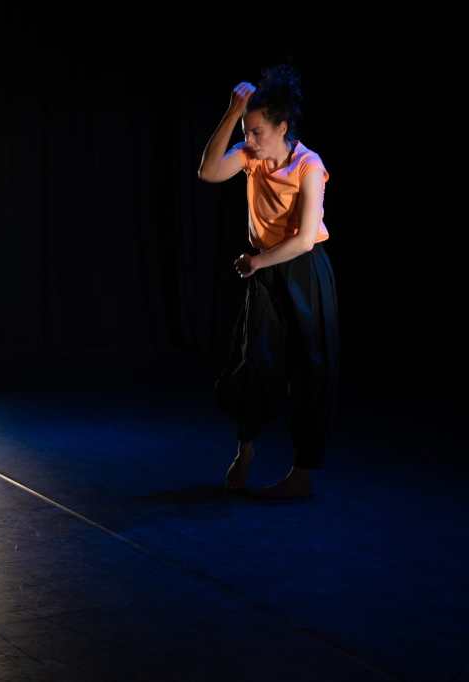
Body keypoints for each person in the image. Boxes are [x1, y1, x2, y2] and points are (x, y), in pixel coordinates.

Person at [197, 64, 340, 499]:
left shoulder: (307, 165)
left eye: (257, 131)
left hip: (302, 270)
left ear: (282, 127)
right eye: (246, 130)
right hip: (264, 268)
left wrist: (258, 263)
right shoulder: (251, 157)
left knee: (310, 369)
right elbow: (208, 172)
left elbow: (302, 240)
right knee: (254, 362)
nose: (250, 139)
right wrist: (232, 112)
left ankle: (301, 473)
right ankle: (246, 449)